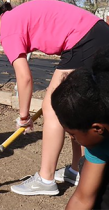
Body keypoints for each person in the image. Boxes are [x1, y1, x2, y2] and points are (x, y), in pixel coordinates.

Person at [0, 0, 109, 195]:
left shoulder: (9, 29)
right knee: (76, 107)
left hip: (84, 40)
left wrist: (24, 117)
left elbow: (24, 78)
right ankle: (77, 170)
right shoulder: (15, 19)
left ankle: (46, 179)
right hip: (95, 34)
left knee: (54, 105)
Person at [51, 47, 109, 209]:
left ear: (97, 129)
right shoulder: (100, 137)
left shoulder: (98, 129)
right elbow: (83, 198)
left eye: (73, 134)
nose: (71, 138)